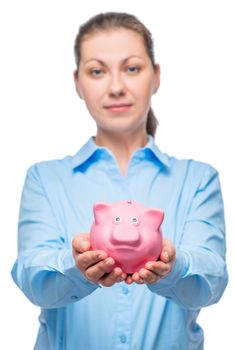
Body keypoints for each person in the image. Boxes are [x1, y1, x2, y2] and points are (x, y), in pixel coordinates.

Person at [11, 12, 228, 350]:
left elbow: (212, 281)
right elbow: (32, 278)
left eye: (132, 68)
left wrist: (175, 265)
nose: (115, 87)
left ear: (156, 77)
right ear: (78, 83)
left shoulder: (198, 179)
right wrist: (75, 267)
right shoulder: (45, 179)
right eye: (97, 71)